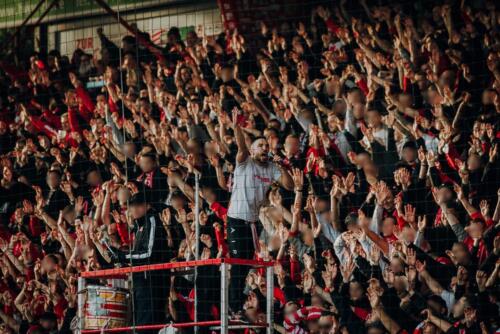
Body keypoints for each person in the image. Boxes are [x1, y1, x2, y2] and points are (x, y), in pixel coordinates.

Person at [226, 107, 293, 313]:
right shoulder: (245, 162)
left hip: (252, 223)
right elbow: (241, 147)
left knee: (246, 264)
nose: (264, 147)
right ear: (253, 150)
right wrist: (236, 126)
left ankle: (238, 304)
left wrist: (280, 164)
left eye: (266, 145)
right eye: (260, 145)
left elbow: (289, 185)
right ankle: (233, 307)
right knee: (238, 264)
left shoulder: (271, 168)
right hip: (236, 219)